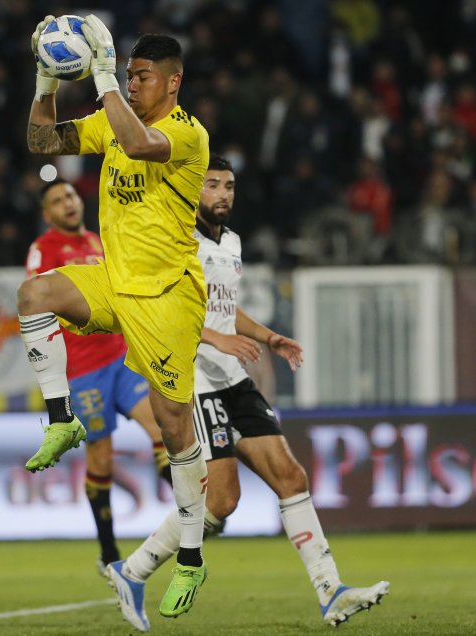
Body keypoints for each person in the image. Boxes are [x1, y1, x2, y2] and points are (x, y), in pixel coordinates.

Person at [105, 154, 390, 632]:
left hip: (232, 377)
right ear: (193, 192)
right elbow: (162, 313)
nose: (221, 194)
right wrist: (216, 339)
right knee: (220, 503)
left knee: (292, 477)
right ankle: (132, 571)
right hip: (193, 380)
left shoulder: (231, 242)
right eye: (211, 185)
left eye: (229, 186)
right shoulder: (175, 242)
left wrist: (269, 337)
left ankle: (331, 591)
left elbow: (224, 309)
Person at [19, 16, 210, 618]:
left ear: (173, 83)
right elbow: (42, 143)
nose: (132, 85)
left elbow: (137, 143)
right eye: (128, 75)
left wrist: (100, 77)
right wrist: (46, 82)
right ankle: (60, 419)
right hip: (114, 282)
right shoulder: (113, 120)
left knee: (175, 429)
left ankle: (191, 558)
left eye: (143, 77)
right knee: (33, 296)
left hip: (167, 297)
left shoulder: (187, 135)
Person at [26, 178, 173, 571]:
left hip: (122, 356)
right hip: (84, 370)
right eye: (57, 201)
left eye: (70, 195)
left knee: (161, 428)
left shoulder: (98, 239)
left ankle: (195, 513)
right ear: (48, 214)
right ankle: (109, 554)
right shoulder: (45, 251)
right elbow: (37, 299)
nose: (68, 203)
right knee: (102, 457)